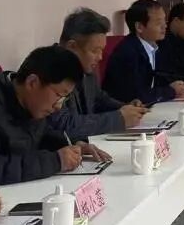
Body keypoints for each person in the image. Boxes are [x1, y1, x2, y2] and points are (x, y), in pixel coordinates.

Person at [0, 45, 111, 186]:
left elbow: (33, 135)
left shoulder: (26, 98)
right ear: (32, 82)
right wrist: (56, 161)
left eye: (65, 98)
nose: (58, 106)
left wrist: (70, 145)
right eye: (58, 95)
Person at [48, 8, 148, 138]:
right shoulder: (49, 72)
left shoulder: (85, 69)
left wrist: (127, 108)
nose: (100, 57)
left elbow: (99, 99)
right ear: (72, 47)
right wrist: (118, 119)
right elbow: (64, 126)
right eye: (95, 51)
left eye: (101, 50)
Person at [102, 0, 184, 103]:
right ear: (139, 27)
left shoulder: (155, 47)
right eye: (159, 23)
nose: (165, 26)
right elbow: (138, 95)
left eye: (164, 21)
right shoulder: (128, 53)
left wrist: (176, 85)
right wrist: (171, 91)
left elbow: (160, 79)